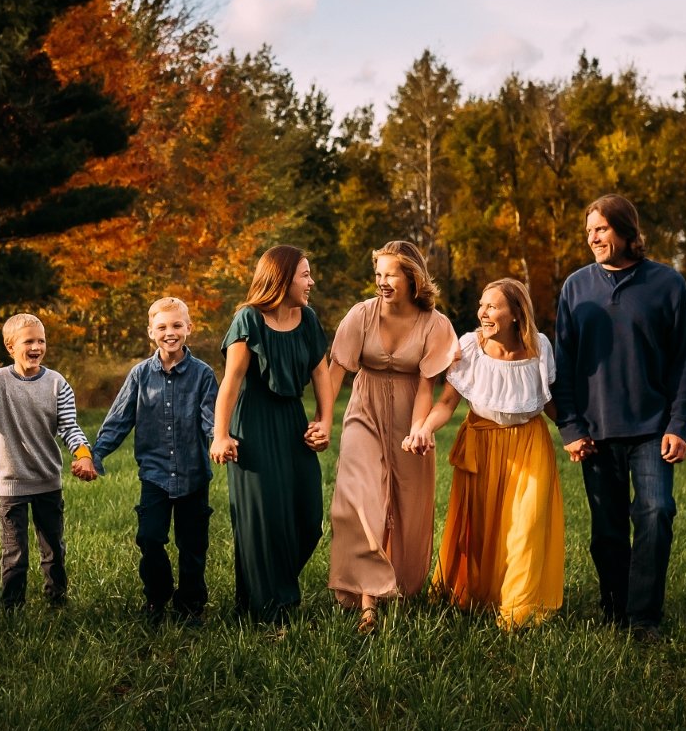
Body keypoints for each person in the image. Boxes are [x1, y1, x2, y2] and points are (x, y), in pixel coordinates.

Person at [550, 193, 686, 637]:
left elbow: (684, 363)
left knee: (656, 511)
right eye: (589, 231)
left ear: (627, 231)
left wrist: (679, 425)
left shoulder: (668, 285)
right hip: (595, 434)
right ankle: (614, 608)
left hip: (653, 431)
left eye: (601, 229)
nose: (593, 238)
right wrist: (571, 427)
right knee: (607, 533)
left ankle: (644, 619)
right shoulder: (576, 288)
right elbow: (563, 365)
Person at [407, 277, 565, 629]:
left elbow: (549, 401)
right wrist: (424, 429)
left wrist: (576, 434)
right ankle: (480, 597)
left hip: (529, 444)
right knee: (481, 529)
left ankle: (518, 614)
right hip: (482, 444)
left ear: (515, 314)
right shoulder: (470, 349)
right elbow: (448, 403)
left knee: (526, 525)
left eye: (492, 306)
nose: (483, 312)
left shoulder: (539, 347)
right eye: (482, 305)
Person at [318, 240, 457, 632]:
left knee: (409, 508)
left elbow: (428, 387)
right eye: (377, 273)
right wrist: (325, 421)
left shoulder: (435, 324)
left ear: (412, 277)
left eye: (389, 273)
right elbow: (336, 370)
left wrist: (419, 429)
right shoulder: (361, 315)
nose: (381, 281)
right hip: (364, 409)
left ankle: (400, 585)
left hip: (411, 413)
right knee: (361, 498)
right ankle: (368, 602)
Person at [211, 245, 332, 623]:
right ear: (281, 278)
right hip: (253, 425)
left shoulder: (308, 319)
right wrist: (220, 435)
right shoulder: (249, 320)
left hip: (293, 423)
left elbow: (322, 377)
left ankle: (267, 591)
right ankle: (270, 609)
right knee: (264, 520)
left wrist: (324, 422)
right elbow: (230, 383)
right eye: (305, 275)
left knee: (307, 517)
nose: (311, 282)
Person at [0, 313, 97, 609]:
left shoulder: (57, 383)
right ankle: (12, 608)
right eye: (28, 341)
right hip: (11, 483)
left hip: (47, 481)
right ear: (10, 346)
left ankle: (57, 601)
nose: (36, 347)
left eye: (41, 341)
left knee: (53, 548)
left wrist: (83, 455)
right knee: (14, 552)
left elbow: (69, 426)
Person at [90, 296, 220, 627]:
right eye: (162, 327)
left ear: (189, 328)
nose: (170, 332)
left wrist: (222, 439)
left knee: (192, 546)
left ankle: (191, 606)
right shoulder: (139, 375)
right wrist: (97, 454)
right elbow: (119, 418)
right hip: (155, 476)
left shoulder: (203, 375)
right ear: (151, 332)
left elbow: (210, 419)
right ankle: (156, 599)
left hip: (193, 475)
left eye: (177, 325)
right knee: (149, 538)